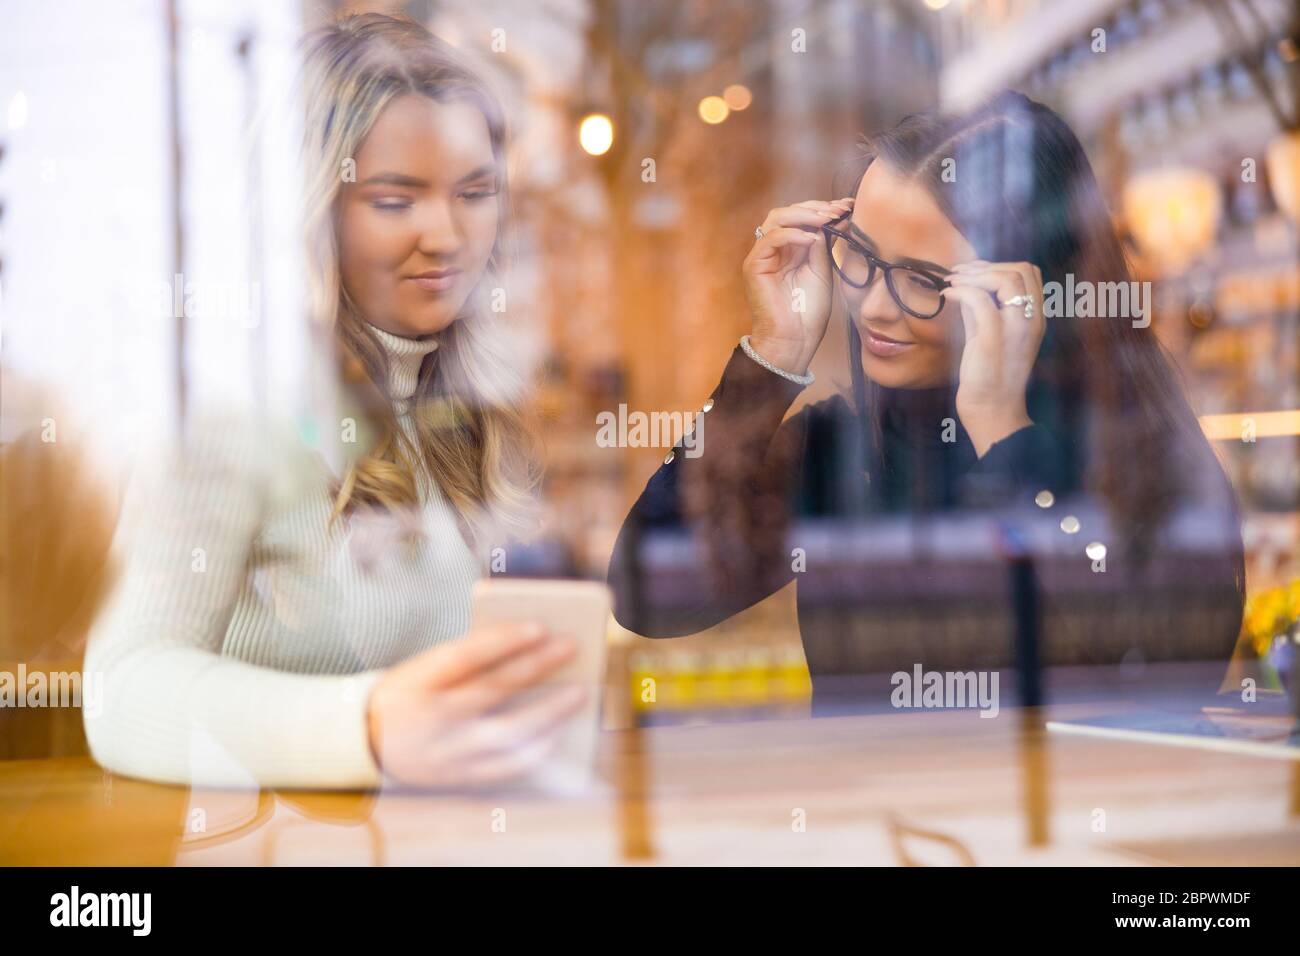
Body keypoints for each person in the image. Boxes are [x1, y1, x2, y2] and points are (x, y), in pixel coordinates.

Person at [608, 91, 1244, 713]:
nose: (876, 307)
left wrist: (1003, 438)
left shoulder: (1121, 434)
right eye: (859, 254)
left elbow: (1167, 666)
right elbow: (647, 596)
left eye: (923, 280)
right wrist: (771, 359)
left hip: (1059, 809)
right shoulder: (851, 444)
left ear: (1032, 289)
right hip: (880, 807)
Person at [84, 13, 583, 788]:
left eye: (474, 193)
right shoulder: (231, 408)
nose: (446, 235)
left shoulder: (453, 408)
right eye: (395, 201)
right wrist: (371, 724)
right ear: (311, 213)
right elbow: (124, 689)